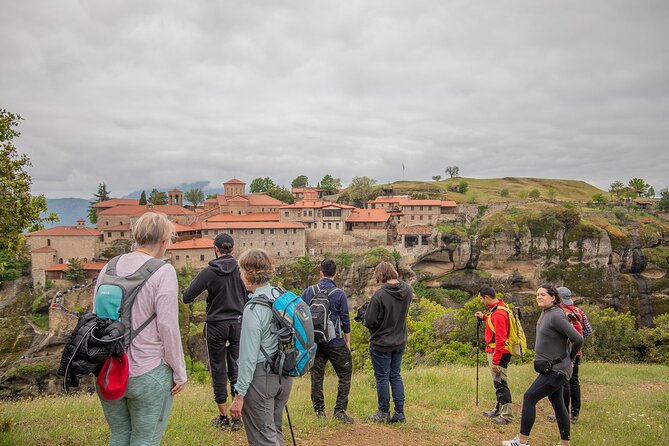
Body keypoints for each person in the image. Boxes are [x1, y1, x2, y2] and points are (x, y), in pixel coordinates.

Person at [94, 212, 187, 446]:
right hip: (148, 371)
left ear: (136, 237)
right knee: (145, 440)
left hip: (108, 369)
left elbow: (96, 315)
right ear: (164, 241)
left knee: (118, 435)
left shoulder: (109, 267)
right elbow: (168, 326)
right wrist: (179, 371)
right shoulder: (163, 271)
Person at [503, 285, 583, 446]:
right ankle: (565, 443)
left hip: (556, 370)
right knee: (559, 404)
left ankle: (522, 441)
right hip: (550, 368)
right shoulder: (547, 312)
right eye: (537, 294)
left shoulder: (556, 316)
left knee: (529, 397)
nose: (539, 297)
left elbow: (578, 339)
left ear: (553, 297)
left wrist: (571, 359)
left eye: (543, 294)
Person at [183, 233, 248, 431]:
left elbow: (187, 297)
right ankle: (238, 416)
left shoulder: (209, 271)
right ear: (233, 249)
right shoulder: (242, 270)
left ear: (215, 249)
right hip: (238, 323)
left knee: (218, 368)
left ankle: (222, 417)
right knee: (236, 367)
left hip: (216, 324)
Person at [230, 249, 292, 446]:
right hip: (283, 374)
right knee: (274, 432)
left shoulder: (254, 308)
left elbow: (248, 357)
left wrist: (239, 394)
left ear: (248, 274)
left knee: (262, 439)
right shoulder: (280, 294)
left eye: (241, 271)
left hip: (261, 379)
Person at [301, 259, 353, 423]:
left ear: (320, 273)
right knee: (344, 374)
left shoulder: (309, 291)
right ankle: (339, 411)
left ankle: (320, 412)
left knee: (317, 376)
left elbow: (301, 314)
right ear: (335, 273)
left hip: (315, 342)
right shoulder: (339, 294)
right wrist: (347, 340)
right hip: (335, 342)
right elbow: (345, 319)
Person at [363, 261, 413, 424]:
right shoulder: (408, 290)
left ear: (380, 275)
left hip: (381, 343)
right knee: (395, 375)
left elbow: (369, 321)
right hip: (399, 340)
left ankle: (383, 412)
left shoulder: (379, 295)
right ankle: (400, 413)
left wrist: (365, 314)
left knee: (382, 378)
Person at [474, 286, 514, 424]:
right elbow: (495, 326)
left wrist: (496, 361)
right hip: (497, 351)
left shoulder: (498, 313)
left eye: (481, 298)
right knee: (498, 382)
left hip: (499, 353)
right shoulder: (499, 308)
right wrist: (484, 317)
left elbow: (501, 339)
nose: (481, 301)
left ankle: (507, 415)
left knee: (501, 383)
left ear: (486, 297)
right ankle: (498, 410)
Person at [554, 286, 592, 423]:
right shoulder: (579, 312)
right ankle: (575, 413)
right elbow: (588, 331)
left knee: (564, 381)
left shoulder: (560, 312)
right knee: (574, 380)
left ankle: (563, 412)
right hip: (577, 351)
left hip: (564, 353)